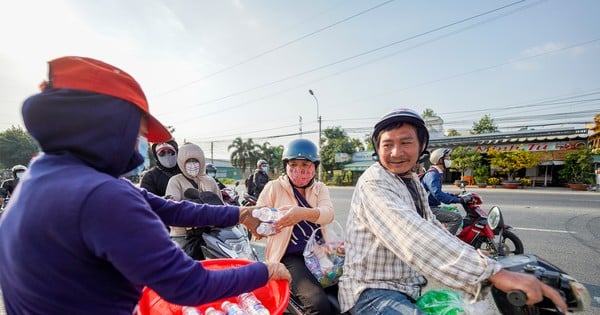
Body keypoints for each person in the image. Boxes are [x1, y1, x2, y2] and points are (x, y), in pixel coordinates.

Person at [0, 56, 290, 314]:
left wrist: (239, 213)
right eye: (136, 133)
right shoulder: (102, 195)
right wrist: (264, 271)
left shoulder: (47, 175)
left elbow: (171, 210)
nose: (139, 146)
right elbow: (189, 286)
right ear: (108, 124)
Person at [338, 108, 567, 314]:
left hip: (407, 287)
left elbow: (431, 225)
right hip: (372, 292)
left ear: (422, 146)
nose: (396, 152)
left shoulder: (411, 180)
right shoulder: (375, 182)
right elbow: (414, 235)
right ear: (378, 149)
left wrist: (474, 256)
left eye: (406, 142)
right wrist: (493, 273)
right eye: (387, 145)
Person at [257, 138, 336, 315]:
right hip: (290, 257)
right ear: (286, 165)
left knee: (345, 294)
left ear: (314, 167)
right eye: (293, 164)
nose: (299, 171)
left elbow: (328, 214)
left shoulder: (320, 188)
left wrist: (301, 213)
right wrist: (268, 226)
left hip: (320, 252)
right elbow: (256, 223)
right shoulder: (273, 187)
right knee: (318, 305)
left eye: (306, 165)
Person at [165, 142, 223, 247]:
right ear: (182, 162)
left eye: (195, 161)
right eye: (188, 161)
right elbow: (172, 204)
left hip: (210, 232)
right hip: (183, 235)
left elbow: (220, 204)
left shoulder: (210, 181)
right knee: (179, 261)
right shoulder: (175, 181)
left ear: (201, 161)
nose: (192, 164)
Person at [421, 148, 464, 235]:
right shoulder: (433, 174)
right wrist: (459, 200)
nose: (449, 160)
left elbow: (435, 193)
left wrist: (454, 196)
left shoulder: (437, 173)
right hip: (428, 208)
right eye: (447, 157)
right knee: (456, 218)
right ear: (440, 160)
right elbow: (437, 194)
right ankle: (446, 243)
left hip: (432, 206)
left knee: (454, 211)